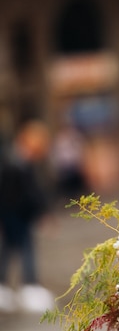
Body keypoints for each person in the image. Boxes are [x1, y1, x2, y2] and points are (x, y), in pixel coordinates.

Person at [0, 120, 54, 313]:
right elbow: (29, 192)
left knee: (10, 250)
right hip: (14, 215)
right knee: (23, 249)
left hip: (15, 215)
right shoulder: (17, 163)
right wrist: (41, 211)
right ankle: (28, 285)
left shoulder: (17, 161)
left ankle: (11, 285)